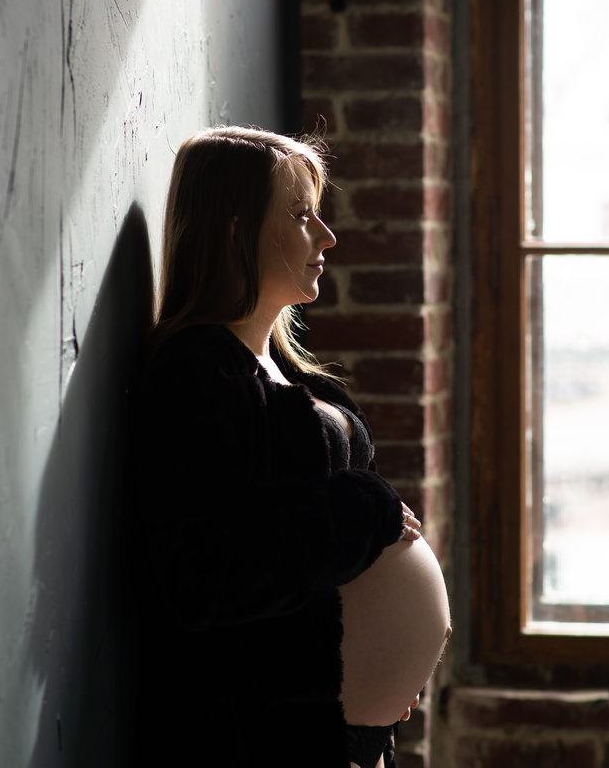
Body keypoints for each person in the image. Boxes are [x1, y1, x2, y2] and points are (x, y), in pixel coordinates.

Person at [130, 126, 451, 768]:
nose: (325, 236)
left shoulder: (288, 372)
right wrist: (365, 512)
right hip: (260, 740)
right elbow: (203, 577)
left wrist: (386, 675)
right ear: (234, 229)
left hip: (343, 736)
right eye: (301, 216)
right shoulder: (197, 375)